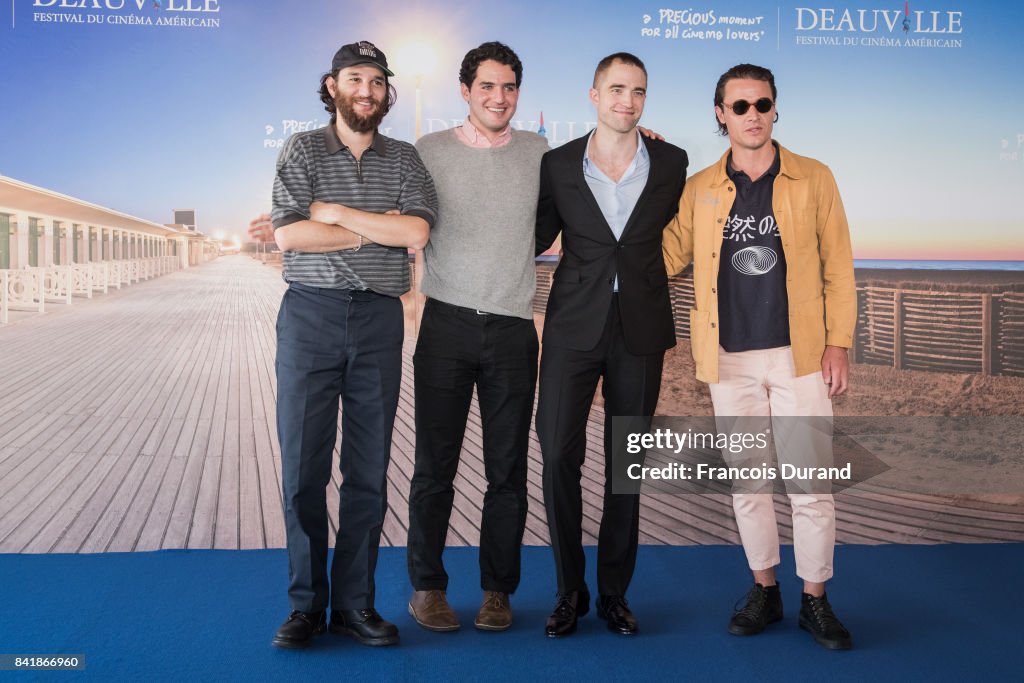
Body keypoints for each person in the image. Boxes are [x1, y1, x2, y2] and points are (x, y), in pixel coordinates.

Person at [662, 63, 856, 650]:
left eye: (761, 104)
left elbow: (838, 268)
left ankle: (814, 601)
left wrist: (838, 343)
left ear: (775, 109)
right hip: (730, 360)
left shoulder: (814, 178)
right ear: (719, 113)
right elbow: (663, 255)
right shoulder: (698, 188)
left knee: (810, 486)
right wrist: (646, 165)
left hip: (799, 358)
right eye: (739, 106)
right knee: (748, 485)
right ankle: (765, 590)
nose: (752, 115)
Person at [251, 40, 438, 649]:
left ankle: (356, 605)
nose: (367, 90)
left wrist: (334, 213)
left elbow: (414, 230)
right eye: (355, 78)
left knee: (368, 470)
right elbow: (289, 234)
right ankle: (306, 606)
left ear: (387, 92)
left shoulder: (405, 158)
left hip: (381, 322)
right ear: (332, 85)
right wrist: (369, 231)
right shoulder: (302, 148)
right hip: (310, 317)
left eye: (378, 82)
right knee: (303, 468)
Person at [535, 52, 688, 637]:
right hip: (573, 326)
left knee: (626, 465)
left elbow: (687, 226)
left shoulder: (672, 161)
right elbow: (534, 235)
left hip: (641, 329)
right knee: (555, 456)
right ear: (594, 95)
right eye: (617, 89)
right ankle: (568, 591)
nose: (628, 100)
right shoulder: (556, 164)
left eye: (639, 92)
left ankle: (614, 595)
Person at [405, 41, 548, 633]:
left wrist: (649, 150)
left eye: (509, 86)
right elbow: (395, 214)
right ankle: (428, 588)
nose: (499, 97)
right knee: (433, 467)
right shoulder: (427, 151)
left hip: (514, 328)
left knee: (507, 472)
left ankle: (497, 591)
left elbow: (592, 193)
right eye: (487, 86)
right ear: (465, 91)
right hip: (446, 326)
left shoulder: (542, 153)